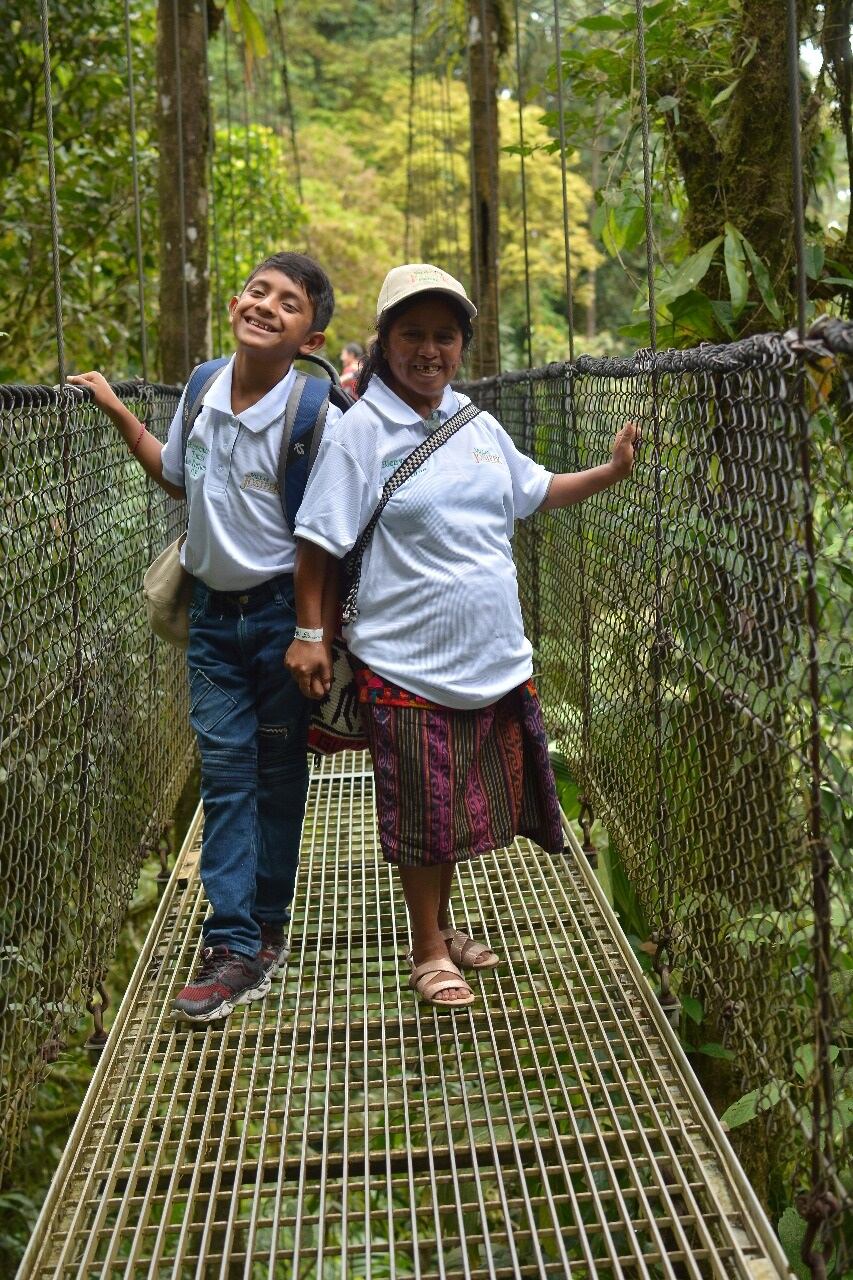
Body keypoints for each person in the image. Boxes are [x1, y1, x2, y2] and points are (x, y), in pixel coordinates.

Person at [285, 263, 638, 1009]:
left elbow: (534, 490)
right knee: (423, 810)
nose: (428, 349)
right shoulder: (360, 432)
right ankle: (425, 948)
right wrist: (309, 633)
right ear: (382, 342)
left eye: (443, 336)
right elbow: (315, 542)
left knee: (454, 803)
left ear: (461, 346)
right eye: (410, 334)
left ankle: (440, 929)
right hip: (404, 657)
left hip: (490, 656)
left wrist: (608, 472)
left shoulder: (477, 423)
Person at [67, 251, 343, 1022]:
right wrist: (121, 412)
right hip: (214, 622)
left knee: (279, 775)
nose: (266, 305)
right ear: (232, 301)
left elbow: (332, 528)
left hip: (286, 620)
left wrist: (315, 630)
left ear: (311, 335)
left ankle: (267, 930)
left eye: (288, 303)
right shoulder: (200, 385)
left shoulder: (318, 414)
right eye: (258, 291)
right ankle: (231, 944)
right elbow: (179, 476)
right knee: (228, 775)